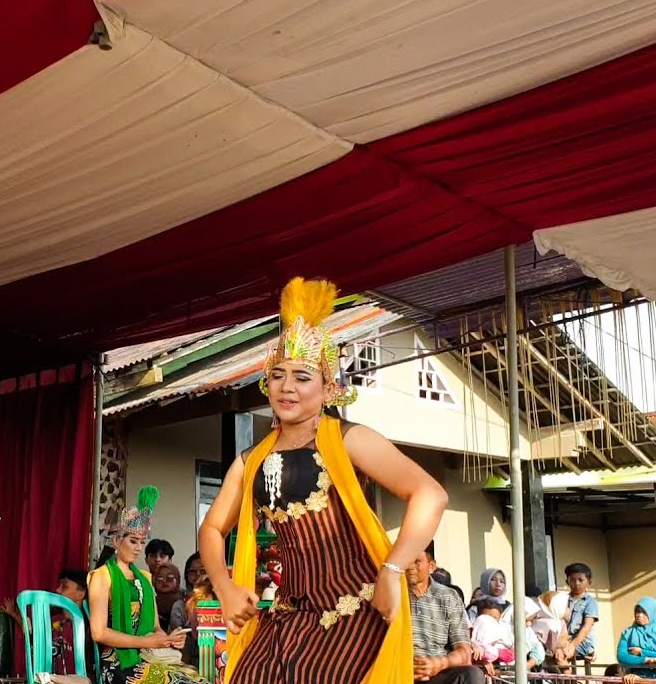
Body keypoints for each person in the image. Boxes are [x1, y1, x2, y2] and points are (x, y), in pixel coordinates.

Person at [197, 278, 449, 684]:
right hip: (287, 616)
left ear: (329, 388)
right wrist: (225, 587)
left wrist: (393, 569)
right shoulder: (250, 460)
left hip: (355, 612)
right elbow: (211, 528)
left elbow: (430, 494)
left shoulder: (349, 439)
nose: (287, 386)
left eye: (302, 376)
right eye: (278, 375)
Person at [88, 487, 202, 684]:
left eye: (141, 542)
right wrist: (148, 641)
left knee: (199, 680)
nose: (138, 548)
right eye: (133, 541)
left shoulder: (145, 578)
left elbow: (157, 628)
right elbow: (98, 632)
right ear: (116, 541)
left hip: (148, 655)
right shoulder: (102, 576)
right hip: (118, 662)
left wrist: (168, 639)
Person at [407, 546, 483, 684]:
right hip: (398, 671)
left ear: (431, 566)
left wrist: (438, 664)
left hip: (437, 673)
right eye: (406, 560)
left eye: (417, 561)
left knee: (472, 675)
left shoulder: (448, 597)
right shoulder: (392, 593)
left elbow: (464, 652)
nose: (410, 566)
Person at [617, 597, 656, 680]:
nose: (639, 615)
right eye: (637, 611)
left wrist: (642, 652)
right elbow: (622, 656)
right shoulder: (628, 633)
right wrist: (646, 660)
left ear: (653, 613)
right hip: (637, 679)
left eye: (644, 612)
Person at [554, 563, 599, 669]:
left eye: (580, 580)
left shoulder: (590, 602)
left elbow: (586, 627)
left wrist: (572, 645)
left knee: (560, 654)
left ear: (589, 582)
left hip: (583, 643)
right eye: (573, 580)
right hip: (565, 640)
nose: (576, 583)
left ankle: (570, 681)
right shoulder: (562, 600)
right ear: (567, 582)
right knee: (546, 653)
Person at [153, 562, 183, 632]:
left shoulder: (185, 603)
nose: (164, 581)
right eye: (160, 578)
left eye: (169, 578)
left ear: (177, 579)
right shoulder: (151, 602)